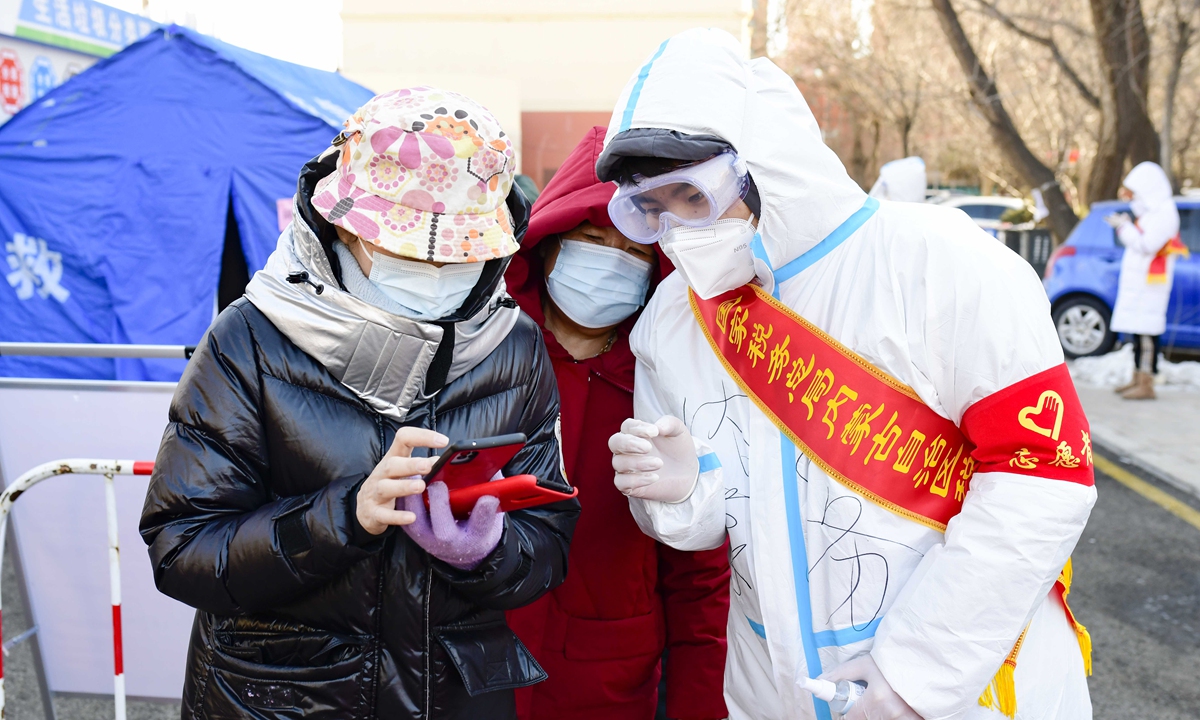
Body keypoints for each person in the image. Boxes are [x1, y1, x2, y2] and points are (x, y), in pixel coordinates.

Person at [604, 30, 1096, 720]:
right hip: (771, 687)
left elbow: (1042, 475)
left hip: (970, 683)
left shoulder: (940, 263)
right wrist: (682, 493)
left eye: (691, 195)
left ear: (761, 165)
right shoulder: (671, 318)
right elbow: (712, 528)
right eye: (649, 209)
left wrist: (913, 677)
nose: (677, 228)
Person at [140, 87, 580, 719]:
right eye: (406, 249)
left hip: (450, 694)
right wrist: (344, 516)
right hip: (282, 699)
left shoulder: (512, 345)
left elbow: (550, 536)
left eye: (455, 253)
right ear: (344, 224)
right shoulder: (251, 339)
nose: (432, 267)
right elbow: (183, 547)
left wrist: (484, 552)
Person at [504, 126, 731, 720]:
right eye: (589, 237)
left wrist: (697, 707)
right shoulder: (485, 360)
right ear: (549, 243)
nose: (610, 260)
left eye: (632, 249)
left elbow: (700, 576)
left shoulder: (673, 383)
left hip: (608, 685)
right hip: (473, 677)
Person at [1106, 161, 1187, 400]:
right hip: (1140, 282)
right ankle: (1135, 377)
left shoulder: (1165, 212)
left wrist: (1124, 228)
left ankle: (1146, 383)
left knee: (1147, 333)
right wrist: (1126, 223)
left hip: (1151, 283)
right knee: (1136, 331)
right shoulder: (1152, 211)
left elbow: (1147, 244)